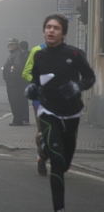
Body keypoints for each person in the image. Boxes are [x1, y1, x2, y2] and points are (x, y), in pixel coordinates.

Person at [24, 13, 95, 212]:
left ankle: (44, 150)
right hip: (48, 111)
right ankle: (59, 208)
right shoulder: (39, 55)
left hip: (71, 113)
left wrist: (78, 85)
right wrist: (31, 89)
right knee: (57, 160)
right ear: (44, 31)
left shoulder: (74, 54)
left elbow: (90, 77)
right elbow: (36, 81)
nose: (51, 30)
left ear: (63, 33)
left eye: (55, 28)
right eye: (48, 27)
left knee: (65, 163)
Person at [22, 41, 48, 176]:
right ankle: (41, 158)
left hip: (58, 99)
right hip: (40, 98)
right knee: (42, 131)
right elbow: (25, 72)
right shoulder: (36, 50)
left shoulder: (67, 52)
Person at [2, 38, 25, 126]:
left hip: (15, 83)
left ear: (16, 45)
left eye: (13, 44)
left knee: (16, 101)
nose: (11, 46)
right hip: (12, 82)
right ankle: (16, 119)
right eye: (10, 44)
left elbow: (18, 68)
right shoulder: (14, 54)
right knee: (13, 100)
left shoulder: (17, 54)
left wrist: (12, 79)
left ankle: (18, 120)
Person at [19, 41, 30, 125]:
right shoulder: (30, 54)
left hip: (24, 79)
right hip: (30, 78)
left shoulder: (23, 56)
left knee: (23, 99)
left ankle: (25, 118)